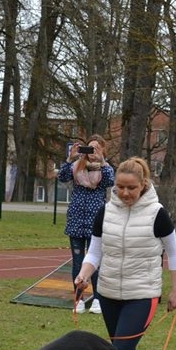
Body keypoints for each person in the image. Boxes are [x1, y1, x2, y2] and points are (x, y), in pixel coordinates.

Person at [74, 156, 176, 350]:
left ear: (143, 185)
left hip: (143, 294)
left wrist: (175, 291)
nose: (124, 193)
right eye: (120, 187)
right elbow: (95, 252)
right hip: (109, 292)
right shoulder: (106, 211)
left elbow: (174, 253)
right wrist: (84, 274)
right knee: (125, 349)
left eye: (131, 188)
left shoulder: (158, 213)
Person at [57, 134, 114, 315]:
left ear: (103, 150)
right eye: (89, 148)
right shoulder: (76, 167)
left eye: (96, 148)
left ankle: (97, 298)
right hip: (76, 219)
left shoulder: (105, 169)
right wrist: (71, 157)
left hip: (96, 219)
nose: (91, 152)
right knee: (78, 261)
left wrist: (101, 160)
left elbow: (109, 180)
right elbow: (62, 176)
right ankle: (79, 298)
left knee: (96, 260)